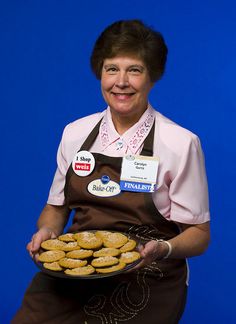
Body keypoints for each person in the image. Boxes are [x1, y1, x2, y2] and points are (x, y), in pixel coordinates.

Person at [12, 19, 210, 324]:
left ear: (151, 77)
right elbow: (55, 208)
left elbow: (199, 235)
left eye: (134, 69)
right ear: (99, 74)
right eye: (111, 69)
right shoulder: (75, 133)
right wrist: (47, 232)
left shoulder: (180, 143)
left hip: (148, 275)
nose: (121, 81)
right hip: (75, 269)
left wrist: (163, 248)